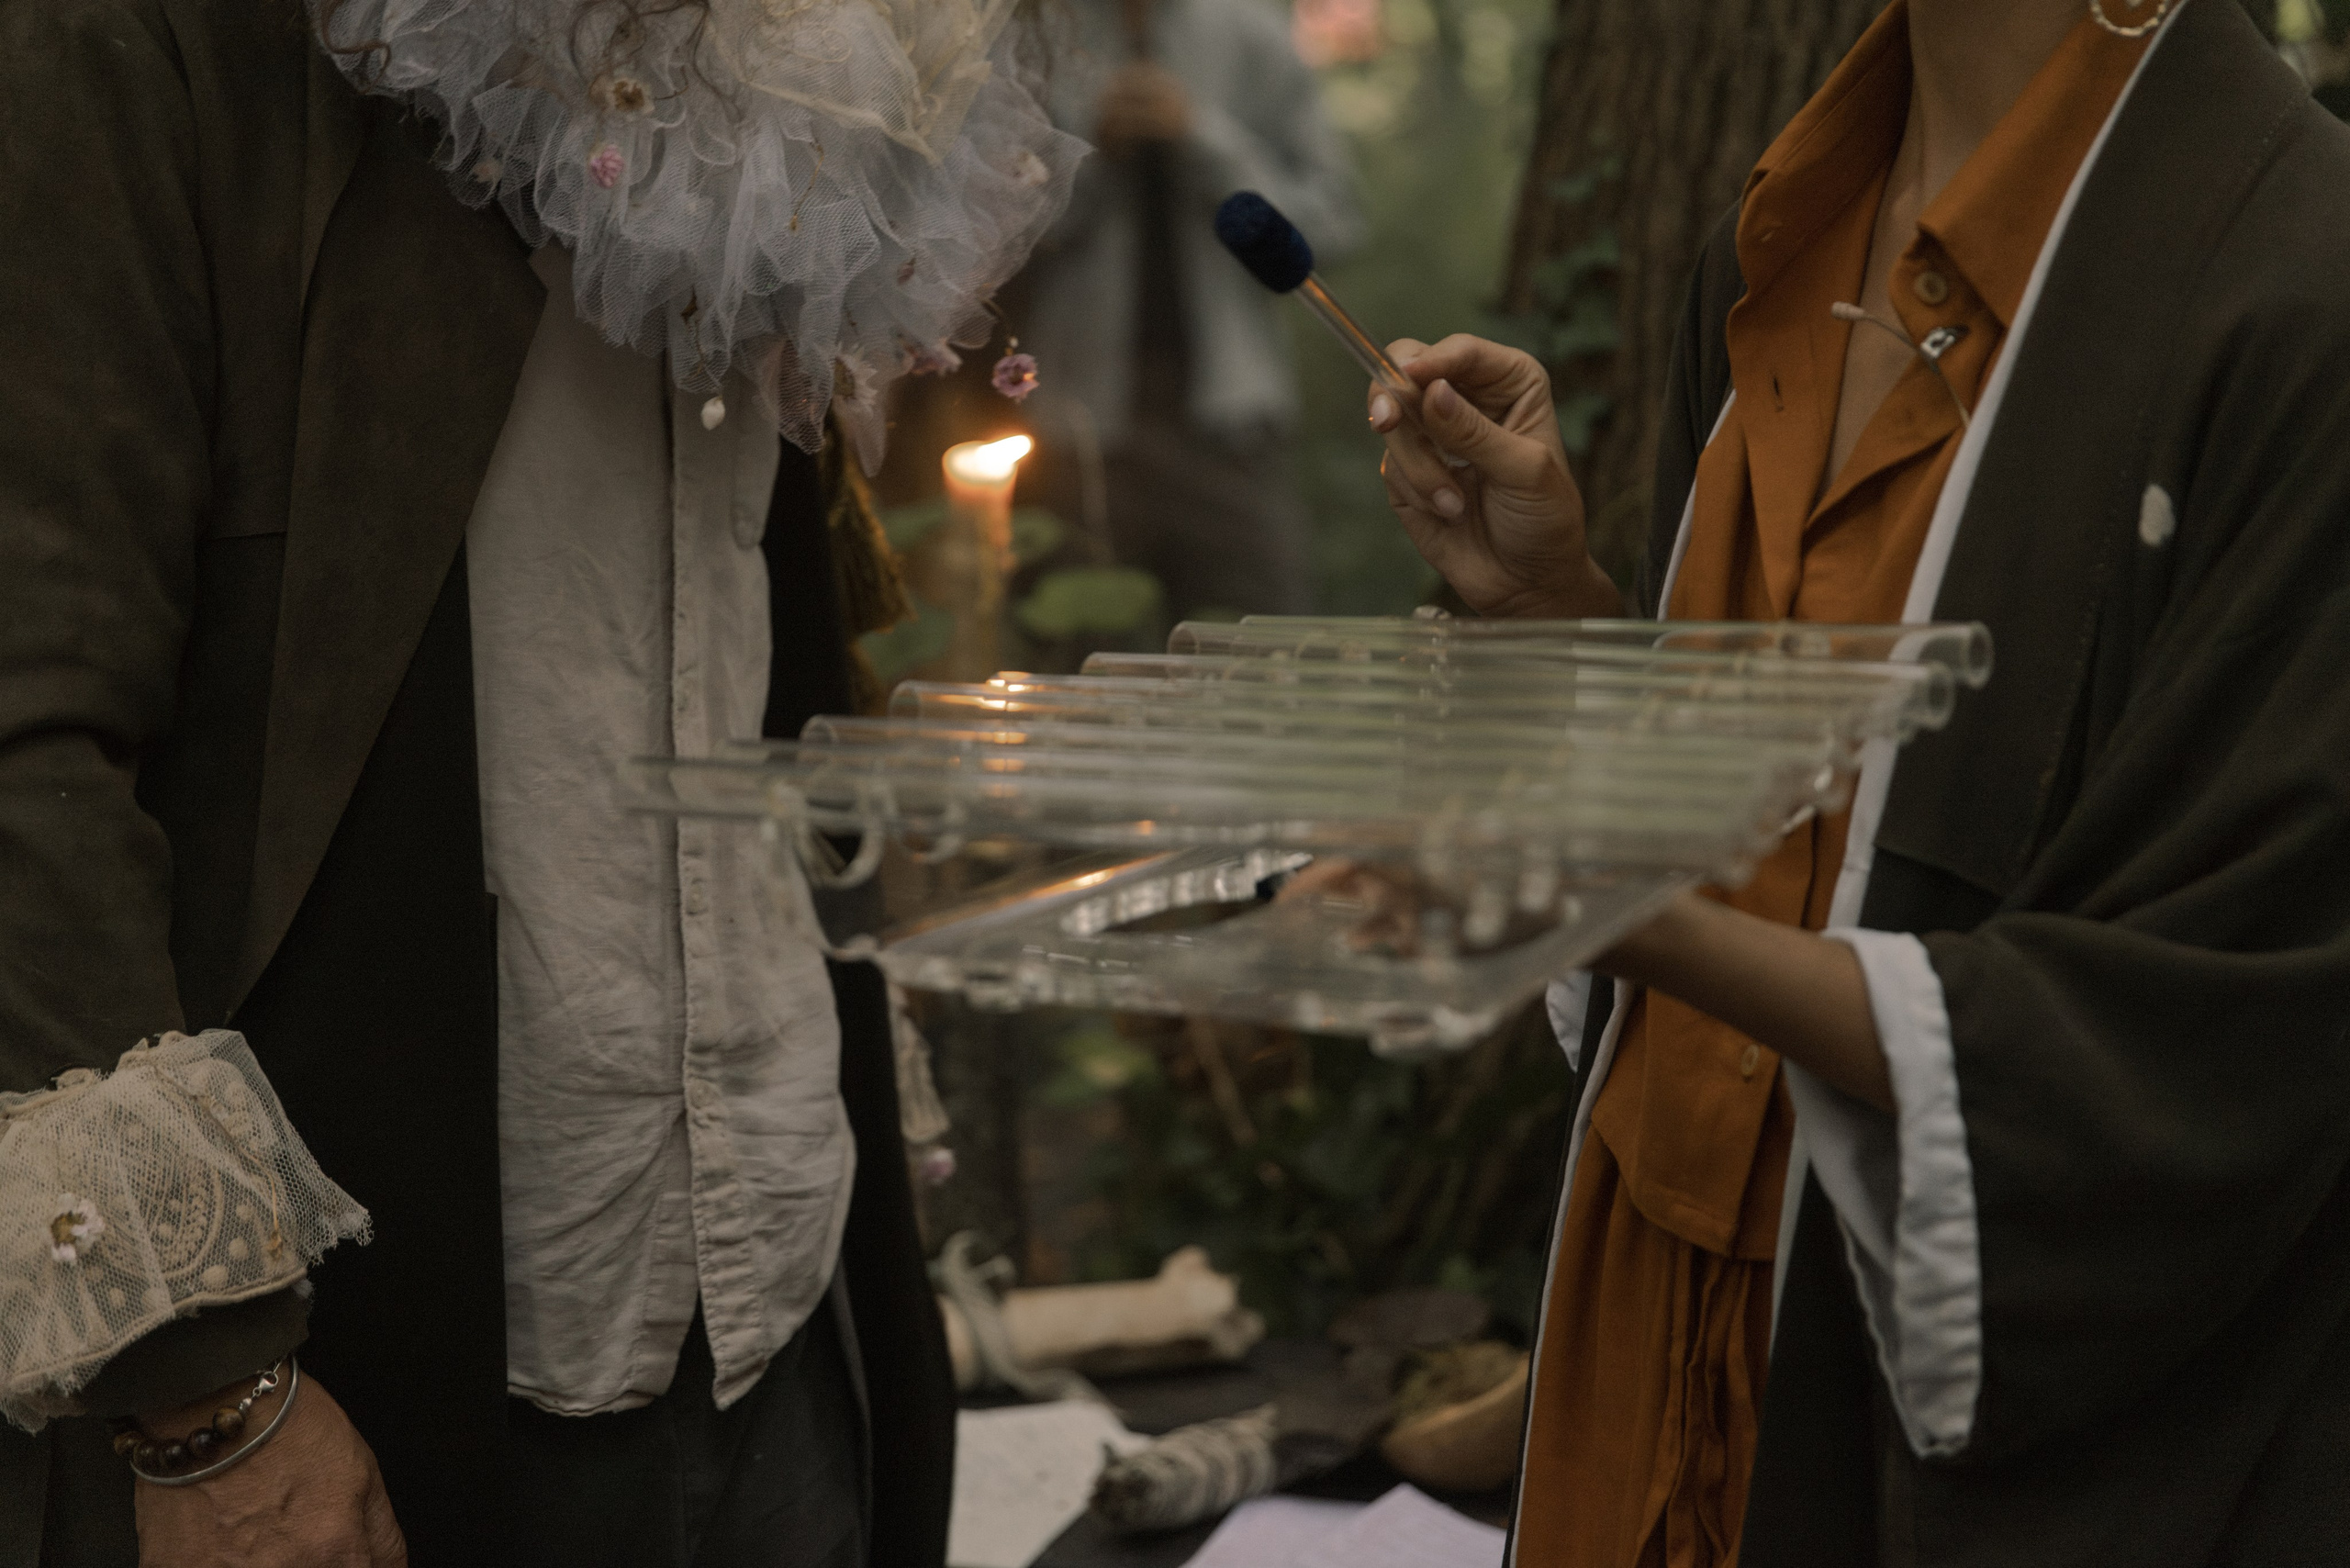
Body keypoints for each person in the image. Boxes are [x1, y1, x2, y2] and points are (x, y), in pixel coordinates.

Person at [0, 0, 1080, 1562]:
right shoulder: (137, 45)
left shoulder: (812, 56)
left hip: (789, 1312)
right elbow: (31, 733)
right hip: (361, 1392)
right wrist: (209, 1395)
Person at [1368, 0, 2350, 1562]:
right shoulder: (1778, 237)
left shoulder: (2299, 287)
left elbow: (2232, 1029)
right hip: (1636, 1343)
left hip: (1915, 1436)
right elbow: (1780, 826)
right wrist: (1553, 620)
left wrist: (1616, 908)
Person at [1013, 0, 1360, 626]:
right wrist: (1090, 155)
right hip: (1079, 435)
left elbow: (1332, 226)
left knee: (1264, 653)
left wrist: (1202, 138)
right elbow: (990, 238)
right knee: (1071, 657)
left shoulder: (1253, 33)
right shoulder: (1037, 38)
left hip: (1231, 425)